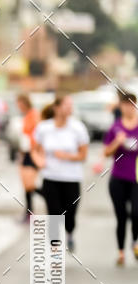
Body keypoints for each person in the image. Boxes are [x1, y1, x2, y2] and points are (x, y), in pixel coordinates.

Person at [32, 96, 89, 252]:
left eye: (71, 105)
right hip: (50, 178)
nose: (70, 108)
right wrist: (39, 161)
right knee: (54, 214)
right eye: (66, 105)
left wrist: (67, 156)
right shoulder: (44, 128)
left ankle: (70, 234)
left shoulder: (78, 128)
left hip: (72, 178)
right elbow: (34, 150)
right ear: (57, 108)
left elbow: (83, 156)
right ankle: (55, 249)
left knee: (70, 215)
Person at [103, 91, 138, 266]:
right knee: (121, 215)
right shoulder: (115, 127)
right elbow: (106, 152)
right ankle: (121, 252)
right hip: (118, 178)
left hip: (136, 179)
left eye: (132, 104)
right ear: (121, 107)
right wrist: (117, 142)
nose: (128, 108)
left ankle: (135, 242)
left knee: (136, 213)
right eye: (125, 104)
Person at [16, 94, 40, 222]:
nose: (18, 107)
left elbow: (37, 133)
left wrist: (35, 149)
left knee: (30, 184)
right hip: (25, 152)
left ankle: (51, 195)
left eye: (20, 104)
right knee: (25, 184)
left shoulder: (34, 114)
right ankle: (28, 212)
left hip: (32, 152)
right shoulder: (25, 116)